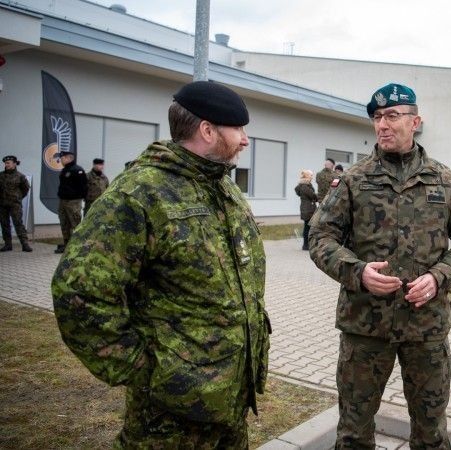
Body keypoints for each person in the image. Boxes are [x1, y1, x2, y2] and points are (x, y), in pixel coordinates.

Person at [51, 80, 270, 448]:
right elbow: (79, 292)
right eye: (239, 129)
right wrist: (141, 367)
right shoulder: (141, 192)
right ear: (207, 130)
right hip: (169, 415)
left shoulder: (224, 188)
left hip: (230, 399)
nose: (245, 140)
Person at [309, 83, 451, 449]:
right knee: (354, 431)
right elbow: (320, 237)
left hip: (426, 326)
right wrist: (358, 273)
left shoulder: (444, 180)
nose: (383, 125)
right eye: (377, 117)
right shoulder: (354, 180)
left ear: (415, 122)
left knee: (431, 431)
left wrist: (440, 277)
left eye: (392, 116)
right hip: (365, 327)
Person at [54, 149, 87, 253]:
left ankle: (78, 245)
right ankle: (67, 244)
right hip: (63, 201)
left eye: (62, 158)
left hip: (73, 202)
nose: (61, 160)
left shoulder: (78, 170)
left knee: (75, 224)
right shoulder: (64, 170)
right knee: (64, 224)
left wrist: (80, 199)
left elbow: (83, 187)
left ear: (69, 158)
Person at [0, 155, 33, 252]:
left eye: (9, 163)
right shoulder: (1, 176)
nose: (7, 165)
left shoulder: (20, 176)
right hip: (2, 204)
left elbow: (26, 189)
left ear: (14, 164)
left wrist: (18, 197)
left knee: (18, 223)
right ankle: (8, 244)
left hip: (15, 204)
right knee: (4, 224)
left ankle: (25, 244)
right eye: (6, 163)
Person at [294, 169, 318, 251]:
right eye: (311, 175)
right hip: (308, 209)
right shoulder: (305, 186)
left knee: (308, 226)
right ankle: (306, 245)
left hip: (307, 208)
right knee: (308, 227)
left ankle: (307, 244)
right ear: (307, 176)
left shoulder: (306, 185)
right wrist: (320, 197)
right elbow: (312, 195)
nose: (312, 177)